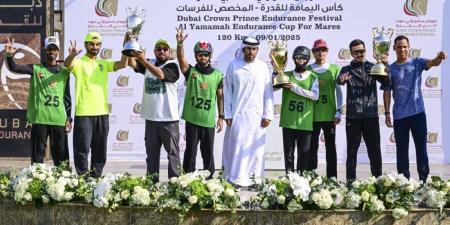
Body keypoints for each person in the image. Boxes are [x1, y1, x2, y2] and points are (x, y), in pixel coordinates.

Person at [382, 35, 447, 182]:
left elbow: (432, 63)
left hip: (418, 113)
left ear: (409, 47)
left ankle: (424, 181)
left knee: (421, 149)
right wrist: (386, 113)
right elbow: (387, 92)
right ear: (394, 48)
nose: (402, 49)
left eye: (405, 46)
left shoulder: (417, 63)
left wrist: (440, 57)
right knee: (402, 151)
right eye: (399, 47)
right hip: (399, 116)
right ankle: (404, 183)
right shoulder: (390, 69)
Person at [64, 32, 128, 177]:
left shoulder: (103, 64)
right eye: (91, 44)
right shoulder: (79, 63)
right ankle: (83, 179)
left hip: (102, 113)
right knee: (82, 149)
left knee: (100, 150)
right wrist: (72, 55)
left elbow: (123, 64)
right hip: (84, 113)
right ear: (86, 45)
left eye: (97, 44)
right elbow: (67, 65)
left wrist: (126, 46)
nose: (94, 47)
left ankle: (96, 178)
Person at [4, 36, 72, 166]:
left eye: (54, 49)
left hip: (58, 119)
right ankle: (37, 182)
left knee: (61, 157)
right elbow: (14, 68)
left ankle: (64, 183)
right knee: (37, 157)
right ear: (44, 50)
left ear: (58, 51)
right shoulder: (36, 69)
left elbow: (67, 97)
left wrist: (69, 118)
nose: (52, 52)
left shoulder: (64, 72)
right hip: (40, 119)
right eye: (49, 49)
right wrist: (9, 55)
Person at [127, 38, 181, 183]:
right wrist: (129, 42)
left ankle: (175, 185)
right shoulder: (150, 62)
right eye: (159, 49)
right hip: (151, 118)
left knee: (173, 154)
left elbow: (160, 74)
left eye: (165, 49)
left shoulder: (173, 66)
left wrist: (143, 60)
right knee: (152, 155)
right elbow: (131, 63)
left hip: (168, 119)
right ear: (155, 51)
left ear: (170, 52)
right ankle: (152, 183)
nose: (162, 51)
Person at [222, 37, 274, 187]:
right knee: (238, 146)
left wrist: (268, 114)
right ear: (243, 49)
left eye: (254, 49)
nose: (251, 52)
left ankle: (255, 180)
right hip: (238, 115)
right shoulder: (234, 66)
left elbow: (268, 91)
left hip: (258, 117)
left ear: (257, 50)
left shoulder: (263, 66)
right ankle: (236, 179)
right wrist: (228, 114)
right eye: (248, 49)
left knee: (256, 150)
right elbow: (228, 91)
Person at [336, 39, 389, 183]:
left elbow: (386, 82)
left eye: (362, 51)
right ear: (351, 53)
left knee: (374, 151)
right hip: (353, 117)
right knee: (352, 152)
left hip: (371, 116)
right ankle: (351, 184)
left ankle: (378, 183)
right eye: (356, 52)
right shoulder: (346, 69)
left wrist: (385, 65)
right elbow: (339, 81)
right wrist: (342, 79)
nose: (360, 54)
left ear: (366, 51)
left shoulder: (373, 67)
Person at [175, 27, 224, 178]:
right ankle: (187, 179)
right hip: (192, 120)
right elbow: (182, 61)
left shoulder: (217, 75)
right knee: (190, 152)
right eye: (200, 55)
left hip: (208, 121)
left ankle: (210, 179)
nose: (203, 57)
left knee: (208, 152)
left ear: (210, 56)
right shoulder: (191, 72)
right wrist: (180, 44)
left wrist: (221, 117)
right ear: (195, 56)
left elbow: (220, 96)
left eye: (205, 55)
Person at [277, 46, 319, 174]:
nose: (301, 60)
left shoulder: (313, 77)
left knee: (303, 156)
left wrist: (294, 87)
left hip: (305, 122)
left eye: (304, 58)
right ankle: (289, 178)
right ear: (293, 59)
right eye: (298, 58)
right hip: (288, 121)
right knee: (289, 155)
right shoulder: (286, 75)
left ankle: (301, 180)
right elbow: (272, 88)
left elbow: (314, 95)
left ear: (307, 60)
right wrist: (276, 72)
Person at [307, 39, 343, 178]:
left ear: (326, 51)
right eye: (317, 50)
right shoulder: (308, 70)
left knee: (330, 148)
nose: (320, 52)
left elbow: (339, 91)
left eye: (323, 50)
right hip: (312, 115)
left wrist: (339, 110)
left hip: (330, 115)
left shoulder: (334, 68)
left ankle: (332, 177)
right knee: (312, 148)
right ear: (313, 52)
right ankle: (311, 177)